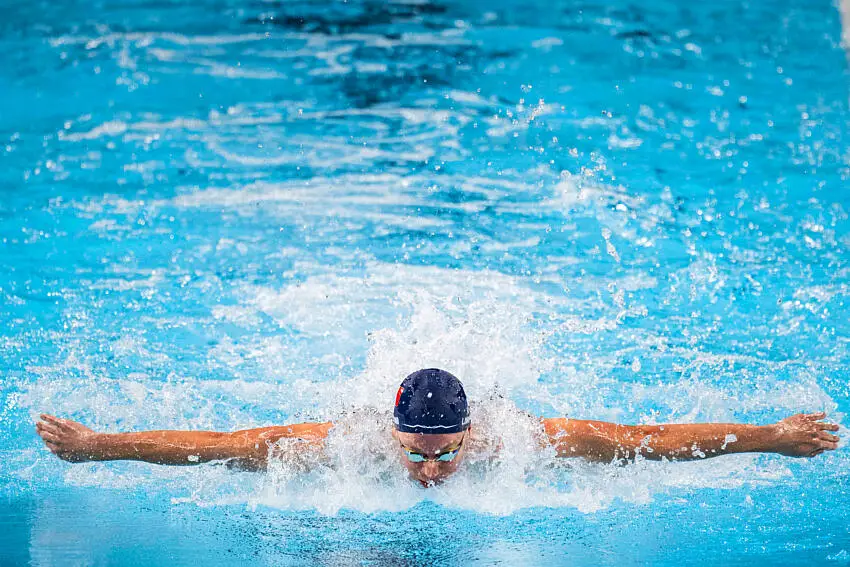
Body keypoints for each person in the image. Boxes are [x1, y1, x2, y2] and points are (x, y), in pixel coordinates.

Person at [35, 368, 840, 487]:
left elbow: (651, 440)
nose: (432, 470)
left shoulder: (525, 438)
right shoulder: (339, 444)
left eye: (446, 450)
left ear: (470, 431)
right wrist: (98, 445)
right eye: (418, 452)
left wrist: (776, 433)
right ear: (391, 433)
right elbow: (214, 448)